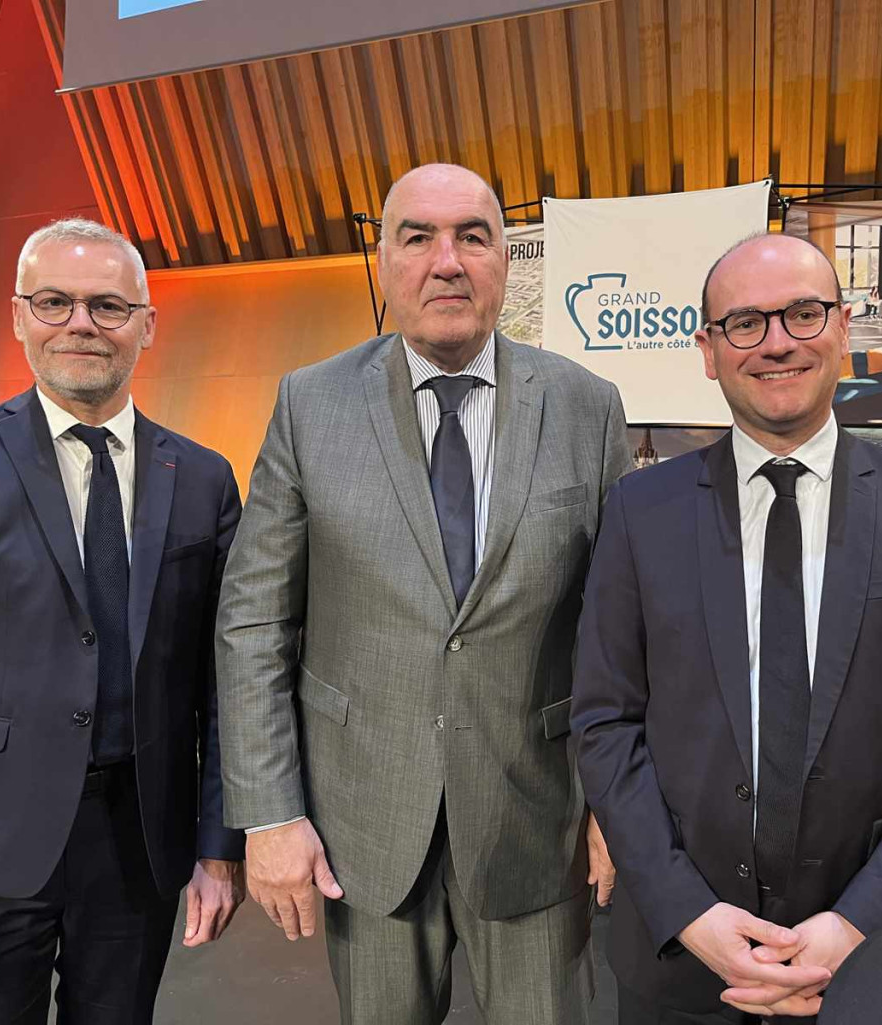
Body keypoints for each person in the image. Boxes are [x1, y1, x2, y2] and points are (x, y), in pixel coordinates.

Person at [216, 163, 631, 1025]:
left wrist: (619, 803)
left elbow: (620, 626)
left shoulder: (587, 407)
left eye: (472, 236)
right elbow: (255, 620)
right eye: (418, 236)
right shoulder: (310, 404)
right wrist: (268, 815)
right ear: (383, 260)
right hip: (362, 823)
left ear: (506, 262)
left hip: (538, 820)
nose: (447, 261)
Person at [572, 233, 882, 1023]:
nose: (777, 342)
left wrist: (858, 922)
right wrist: (687, 910)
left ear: (842, 328)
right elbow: (604, 724)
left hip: (869, 955)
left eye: (803, 313)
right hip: (680, 960)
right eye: (745, 323)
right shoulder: (641, 512)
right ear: (708, 350)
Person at [0, 219, 246, 1024]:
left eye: (108, 305)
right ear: (18, 315)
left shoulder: (203, 477)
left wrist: (218, 844)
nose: (81, 323)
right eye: (55, 301)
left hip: (140, 850)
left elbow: (225, 683)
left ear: (146, 323)